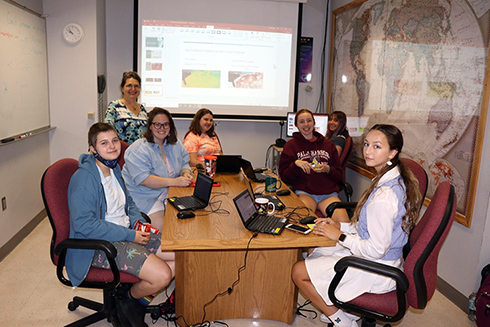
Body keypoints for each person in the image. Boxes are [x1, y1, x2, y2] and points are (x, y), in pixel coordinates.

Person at [291, 124, 422, 327]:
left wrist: (339, 236)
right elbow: (367, 227)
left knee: (298, 272)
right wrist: (338, 226)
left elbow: (376, 249)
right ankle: (344, 309)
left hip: (377, 269)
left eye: (377, 147)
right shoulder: (391, 177)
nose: (368, 151)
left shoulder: (384, 197)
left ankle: (341, 320)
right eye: (367, 144)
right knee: (315, 249)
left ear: (393, 152)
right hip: (382, 258)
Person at [67, 122, 176, 326]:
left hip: (126, 233)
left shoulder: (113, 167)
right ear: (92, 148)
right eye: (104, 143)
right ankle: (129, 300)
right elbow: (84, 224)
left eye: (115, 140)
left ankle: (135, 300)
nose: (112, 147)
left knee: (182, 257)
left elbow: (129, 202)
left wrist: (139, 224)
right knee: (162, 275)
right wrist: (130, 236)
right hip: (100, 245)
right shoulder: (85, 179)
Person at [122, 107, 193, 230]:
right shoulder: (138, 149)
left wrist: (185, 173)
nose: (162, 128)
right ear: (150, 126)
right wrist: (175, 181)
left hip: (170, 193)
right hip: (145, 196)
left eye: (165, 124)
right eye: (157, 125)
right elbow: (144, 179)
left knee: (188, 222)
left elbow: (185, 163)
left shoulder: (175, 144)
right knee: (164, 230)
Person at [278, 109, 349, 222]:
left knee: (344, 224)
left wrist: (328, 169)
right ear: (296, 125)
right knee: (301, 223)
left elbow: (338, 175)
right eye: (301, 121)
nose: (306, 125)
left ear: (314, 122)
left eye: (309, 120)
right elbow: (284, 177)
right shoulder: (290, 145)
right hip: (305, 193)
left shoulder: (328, 145)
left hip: (328, 194)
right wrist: (295, 164)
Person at [105, 71, 148, 144]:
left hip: (140, 153)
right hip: (122, 152)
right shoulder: (114, 106)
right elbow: (107, 131)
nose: (133, 89)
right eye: (129, 85)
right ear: (122, 88)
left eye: (136, 86)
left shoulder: (143, 109)